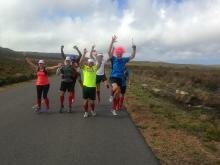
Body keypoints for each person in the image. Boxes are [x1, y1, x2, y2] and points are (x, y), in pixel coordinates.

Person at [108, 35, 136, 116]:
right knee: (116, 88)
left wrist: (134, 49)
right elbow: (109, 52)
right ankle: (111, 96)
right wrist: (112, 42)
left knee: (118, 94)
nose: (119, 54)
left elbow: (132, 56)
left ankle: (113, 109)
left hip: (120, 79)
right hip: (113, 77)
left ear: (122, 53)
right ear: (116, 53)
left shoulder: (124, 60)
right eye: (118, 53)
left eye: (120, 53)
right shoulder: (113, 58)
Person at [79, 48, 102, 118]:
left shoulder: (95, 68)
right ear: (88, 63)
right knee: (85, 101)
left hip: (92, 87)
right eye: (89, 62)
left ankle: (92, 110)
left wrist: (96, 55)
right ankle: (86, 112)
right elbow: (80, 62)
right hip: (85, 87)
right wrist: (84, 53)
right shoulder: (85, 68)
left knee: (92, 102)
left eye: (92, 62)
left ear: (93, 63)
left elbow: (100, 63)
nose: (91, 63)